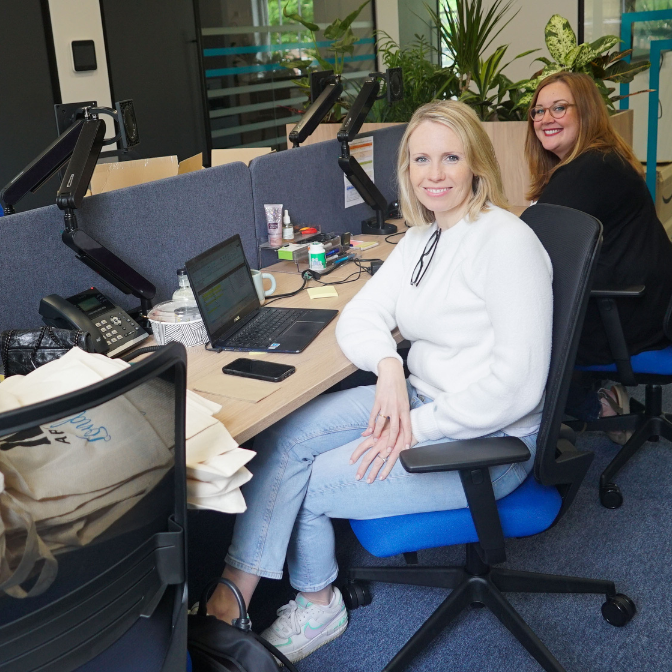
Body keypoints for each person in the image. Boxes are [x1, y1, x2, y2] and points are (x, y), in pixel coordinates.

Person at [204, 100, 553, 664]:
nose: (434, 174)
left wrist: (412, 425)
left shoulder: (506, 244)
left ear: (477, 165)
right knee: (284, 437)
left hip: (490, 441)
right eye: (421, 159)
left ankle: (318, 604)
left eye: (450, 158)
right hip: (423, 400)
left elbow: (516, 389)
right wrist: (389, 365)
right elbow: (360, 316)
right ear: (407, 169)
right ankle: (233, 598)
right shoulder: (424, 238)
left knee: (314, 485)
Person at [525, 72, 672, 439]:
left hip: (627, 319)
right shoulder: (601, 159)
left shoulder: (590, 168)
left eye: (559, 108)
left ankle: (596, 407)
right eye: (538, 111)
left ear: (586, 111)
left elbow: (528, 243)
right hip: (646, 307)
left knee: (521, 331)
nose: (545, 118)